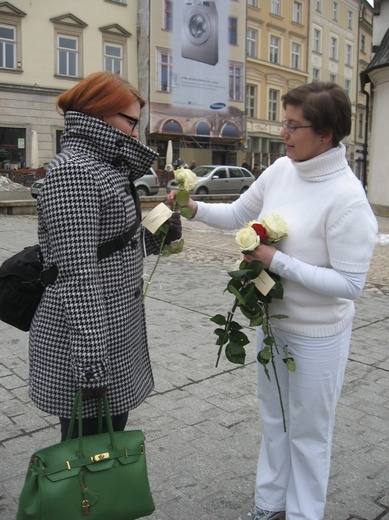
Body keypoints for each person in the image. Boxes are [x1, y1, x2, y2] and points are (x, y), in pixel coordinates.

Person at [166, 82, 377, 520]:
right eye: (284, 121)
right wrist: (192, 210)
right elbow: (238, 215)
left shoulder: (348, 198)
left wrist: (276, 261)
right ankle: (269, 505)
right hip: (272, 322)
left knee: (309, 433)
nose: (283, 132)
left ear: (325, 134)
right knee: (275, 421)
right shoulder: (282, 169)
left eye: (292, 125)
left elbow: (351, 284)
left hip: (318, 336)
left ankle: (303, 514)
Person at [29, 71, 181, 441]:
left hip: (112, 332)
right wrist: (92, 366)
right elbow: (77, 274)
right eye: (130, 121)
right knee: (87, 460)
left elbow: (109, 248)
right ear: (99, 113)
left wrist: (156, 235)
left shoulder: (105, 166)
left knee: (104, 448)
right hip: (89, 344)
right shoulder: (75, 172)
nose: (134, 132)